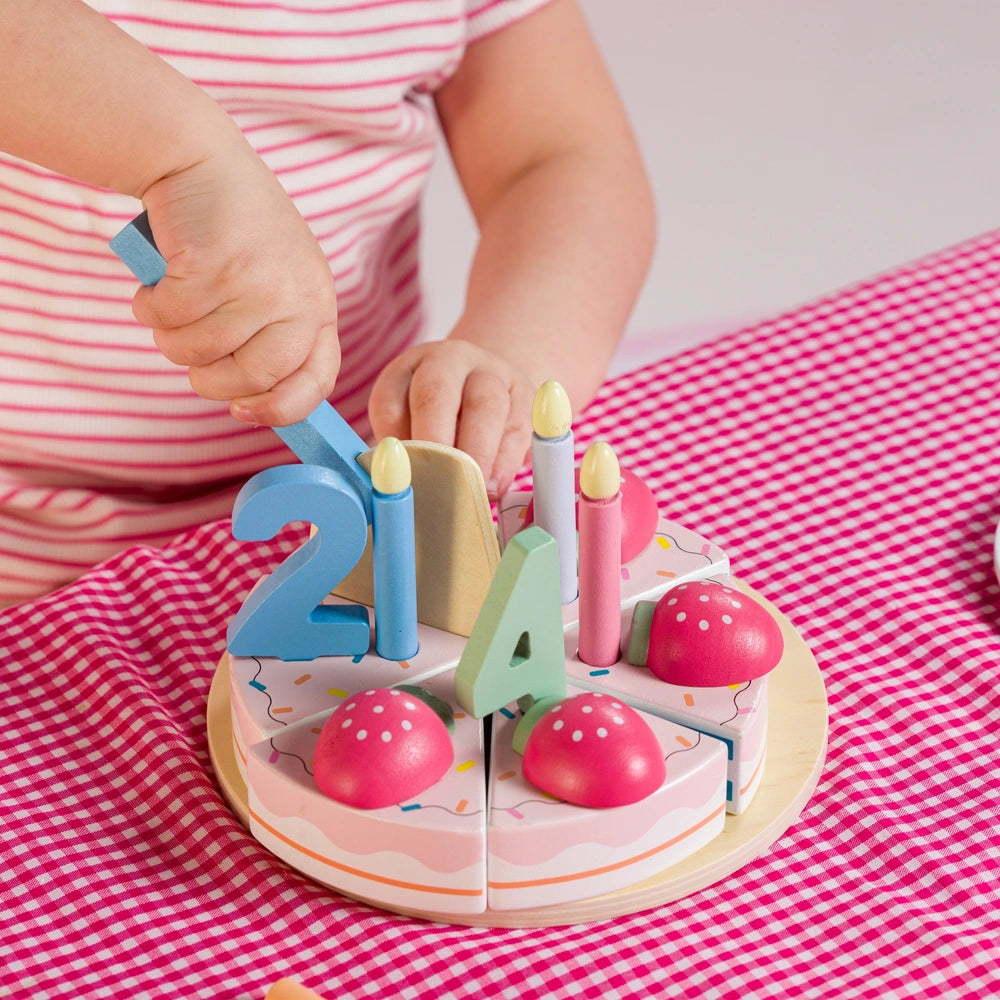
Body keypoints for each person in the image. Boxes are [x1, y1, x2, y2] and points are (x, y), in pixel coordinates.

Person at [0, 0, 655, 606]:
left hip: (357, 506)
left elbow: (560, 160)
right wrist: (182, 154)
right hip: (26, 543)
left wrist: (505, 357)